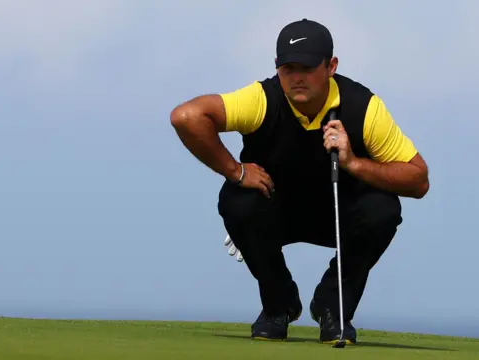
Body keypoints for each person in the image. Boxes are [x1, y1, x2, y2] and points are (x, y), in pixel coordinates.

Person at [170, 18, 429, 345]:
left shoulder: (363, 108)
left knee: (383, 208)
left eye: (306, 67)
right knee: (236, 200)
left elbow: (418, 179)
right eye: (288, 68)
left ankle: (333, 307)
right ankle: (279, 306)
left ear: (331, 66)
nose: (297, 77)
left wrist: (354, 163)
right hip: (276, 212)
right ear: (277, 68)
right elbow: (186, 117)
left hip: (338, 216)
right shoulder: (262, 99)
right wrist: (235, 170)